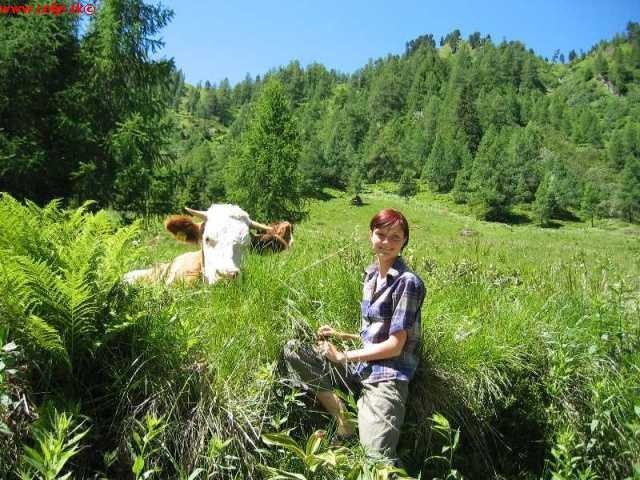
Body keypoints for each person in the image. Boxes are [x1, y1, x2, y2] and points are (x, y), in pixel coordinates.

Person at [284, 208, 425, 465]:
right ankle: (344, 421)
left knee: (376, 460)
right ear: (371, 235)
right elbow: (375, 334)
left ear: (405, 240)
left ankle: (364, 422)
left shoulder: (407, 282)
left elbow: (395, 346)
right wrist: (340, 335)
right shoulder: (371, 275)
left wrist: (342, 355)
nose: (386, 242)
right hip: (359, 368)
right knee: (295, 350)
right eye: (381, 234)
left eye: (395, 237)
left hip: (386, 377)